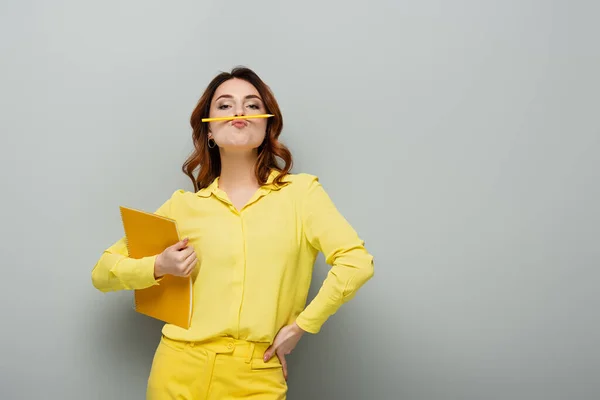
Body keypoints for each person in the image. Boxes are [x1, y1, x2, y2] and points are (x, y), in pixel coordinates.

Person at [91, 66, 374, 399]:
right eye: (225, 105)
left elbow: (356, 263)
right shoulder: (183, 207)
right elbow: (102, 272)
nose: (239, 111)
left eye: (252, 105)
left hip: (256, 376)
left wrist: (303, 325)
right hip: (176, 370)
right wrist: (157, 266)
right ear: (209, 131)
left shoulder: (302, 194)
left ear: (267, 124)